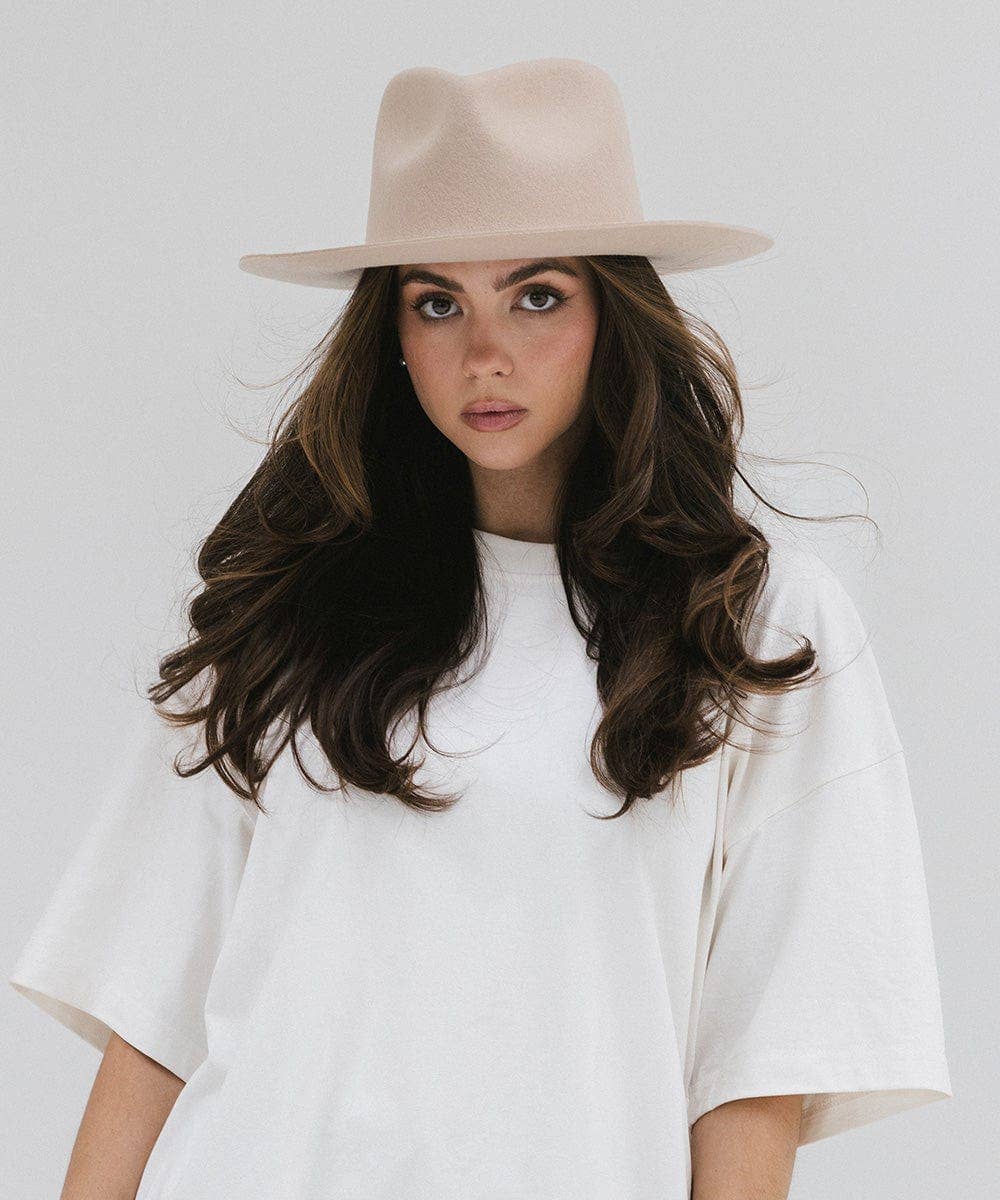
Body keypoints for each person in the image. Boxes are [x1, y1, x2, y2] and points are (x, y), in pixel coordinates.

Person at [8, 58, 951, 1200]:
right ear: (392, 332)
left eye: (536, 295)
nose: (483, 352)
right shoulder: (293, 609)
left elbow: (761, 1062)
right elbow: (151, 1019)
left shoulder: (750, 625)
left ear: (615, 314)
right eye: (436, 302)